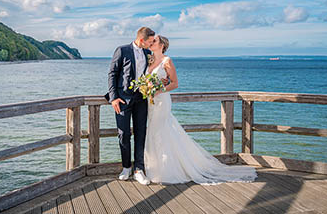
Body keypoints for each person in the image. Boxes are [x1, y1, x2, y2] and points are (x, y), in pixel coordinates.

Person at [144, 35, 258, 184]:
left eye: (155, 41)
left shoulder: (167, 61)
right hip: (149, 102)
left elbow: (175, 83)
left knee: (160, 131)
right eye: (151, 41)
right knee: (153, 132)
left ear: (162, 45)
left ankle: (167, 171)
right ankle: (154, 167)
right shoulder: (149, 60)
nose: (151, 43)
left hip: (161, 100)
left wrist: (159, 90)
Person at [106, 27, 155, 185]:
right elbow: (112, 74)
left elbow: (151, 74)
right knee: (124, 134)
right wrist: (113, 98)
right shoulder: (122, 50)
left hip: (141, 99)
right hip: (122, 100)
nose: (151, 44)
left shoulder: (148, 54)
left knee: (141, 134)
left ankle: (139, 170)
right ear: (141, 40)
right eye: (150, 41)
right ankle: (126, 167)